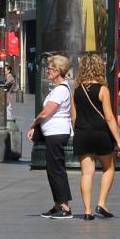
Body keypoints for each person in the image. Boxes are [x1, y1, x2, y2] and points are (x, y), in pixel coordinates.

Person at [70, 54, 120, 220]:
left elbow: (73, 117)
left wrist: (79, 130)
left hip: (82, 132)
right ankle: (101, 203)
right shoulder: (103, 90)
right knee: (109, 168)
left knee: (86, 173)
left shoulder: (76, 90)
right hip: (100, 133)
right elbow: (109, 117)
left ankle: (87, 211)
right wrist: (118, 141)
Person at [27, 55, 73, 219]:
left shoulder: (60, 90)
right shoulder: (60, 88)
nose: (48, 71)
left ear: (59, 71)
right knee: (52, 169)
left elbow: (47, 112)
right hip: (53, 132)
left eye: (51, 69)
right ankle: (57, 204)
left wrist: (34, 124)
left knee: (56, 169)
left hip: (56, 132)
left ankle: (64, 206)